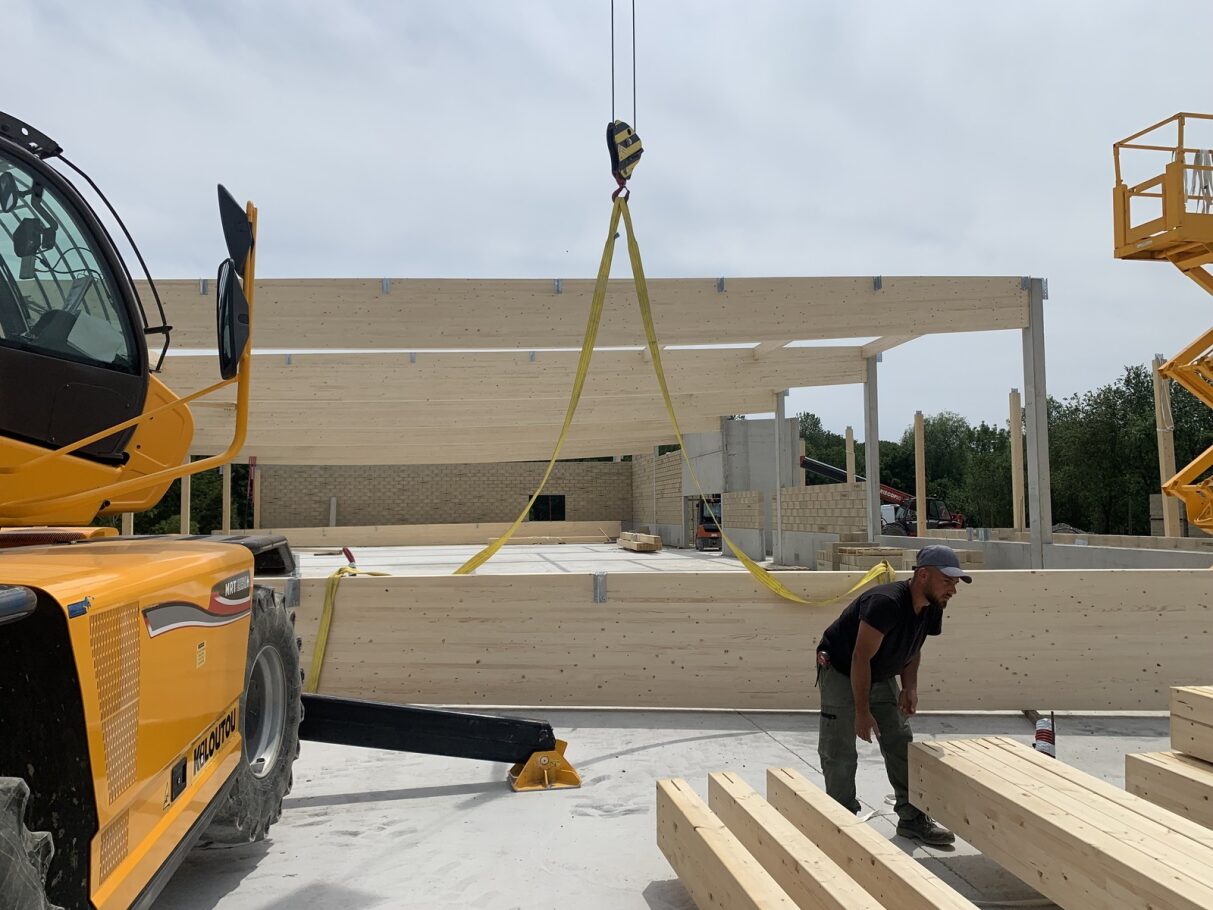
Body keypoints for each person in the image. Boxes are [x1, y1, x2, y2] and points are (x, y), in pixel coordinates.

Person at [815, 544, 971, 846]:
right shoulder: (885, 603)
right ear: (923, 575)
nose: (952, 589)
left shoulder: (931, 605)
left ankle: (912, 818)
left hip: (882, 672)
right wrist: (862, 711)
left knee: (900, 741)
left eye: (955, 583)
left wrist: (909, 687)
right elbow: (861, 658)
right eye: (947, 581)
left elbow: (913, 648)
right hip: (842, 669)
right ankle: (842, 820)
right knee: (840, 750)